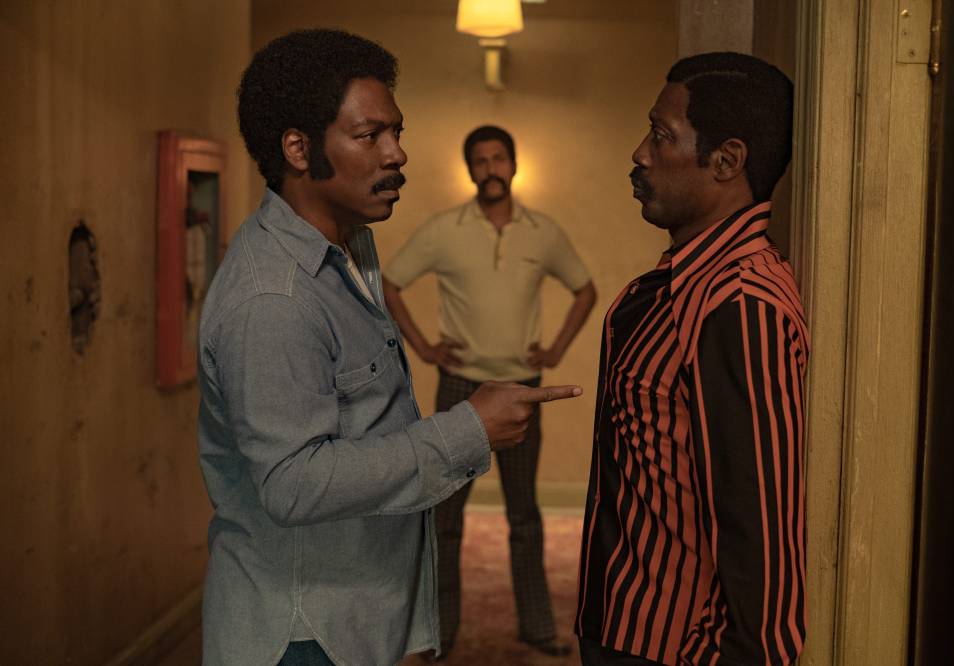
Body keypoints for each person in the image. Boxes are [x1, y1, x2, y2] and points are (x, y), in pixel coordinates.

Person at [197, 30, 581, 666]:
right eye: (369, 135)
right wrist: (467, 428)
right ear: (298, 149)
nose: (397, 153)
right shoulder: (273, 299)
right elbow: (293, 484)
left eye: (396, 132)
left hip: (353, 621)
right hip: (303, 635)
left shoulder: (349, 248)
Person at [575, 52, 809, 665]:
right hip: (627, 622)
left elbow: (761, 531)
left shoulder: (739, 305)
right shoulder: (686, 283)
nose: (640, 153)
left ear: (726, 161)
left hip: (671, 646)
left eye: (661, 135)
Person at [383, 125, 596, 658]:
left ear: (514, 165)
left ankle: (537, 627)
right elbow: (389, 283)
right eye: (480, 161)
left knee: (524, 513)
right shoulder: (444, 230)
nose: (490, 168)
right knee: (447, 517)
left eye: (499, 158)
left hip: (523, 388)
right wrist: (425, 348)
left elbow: (585, 290)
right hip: (461, 387)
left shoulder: (542, 232)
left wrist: (555, 350)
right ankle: (439, 634)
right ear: (470, 170)